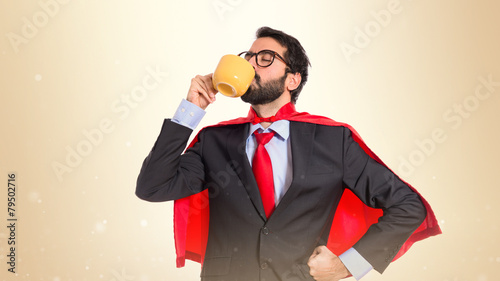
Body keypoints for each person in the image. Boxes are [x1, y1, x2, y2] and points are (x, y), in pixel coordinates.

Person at [136, 26, 441, 281]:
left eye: (265, 58)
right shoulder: (215, 140)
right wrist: (190, 110)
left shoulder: (333, 140)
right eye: (248, 58)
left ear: (292, 79)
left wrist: (346, 265)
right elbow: (154, 186)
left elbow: (408, 206)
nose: (251, 65)